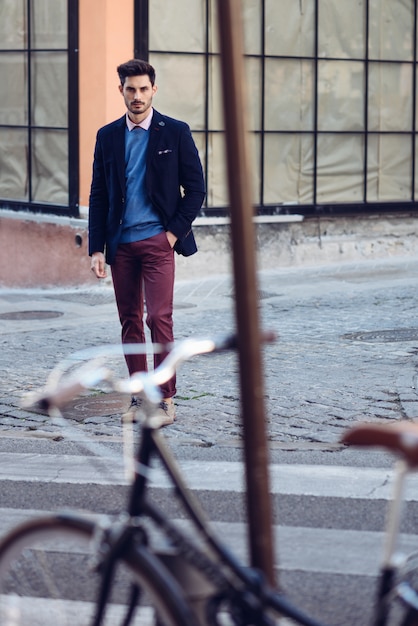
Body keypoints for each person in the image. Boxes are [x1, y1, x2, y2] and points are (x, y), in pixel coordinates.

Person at [88, 59, 205, 425]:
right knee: (130, 321)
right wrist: (96, 248)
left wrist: (171, 234)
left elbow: (196, 189)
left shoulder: (175, 131)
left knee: (159, 318)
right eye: (130, 89)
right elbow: (99, 194)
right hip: (121, 245)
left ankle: (166, 397)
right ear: (120, 90)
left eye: (143, 89)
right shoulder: (107, 136)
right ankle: (139, 395)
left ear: (154, 89)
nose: (136, 96)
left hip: (158, 242)